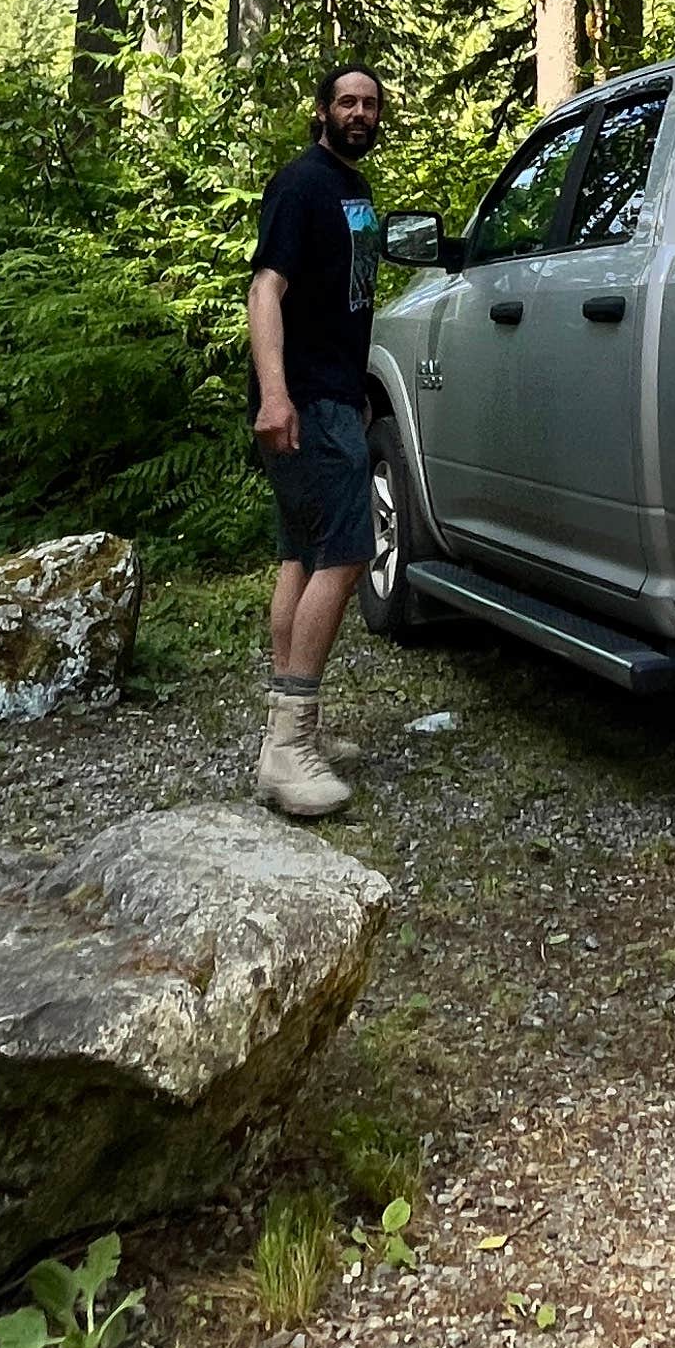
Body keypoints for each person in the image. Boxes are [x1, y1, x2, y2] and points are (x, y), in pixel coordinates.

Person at [247, 60, 387, 817]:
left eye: (369, 104)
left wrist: (356, 386)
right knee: (346, 554)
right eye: (346, 102)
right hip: (304, 401)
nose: (358, 113)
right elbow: (266, 288)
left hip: (333, 394)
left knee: (302, 554)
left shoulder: (352, 189)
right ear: (323, 111)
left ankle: (293, 728)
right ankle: (287, 750)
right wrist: (276, 395)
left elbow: (342, 303)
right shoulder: (300, 185)